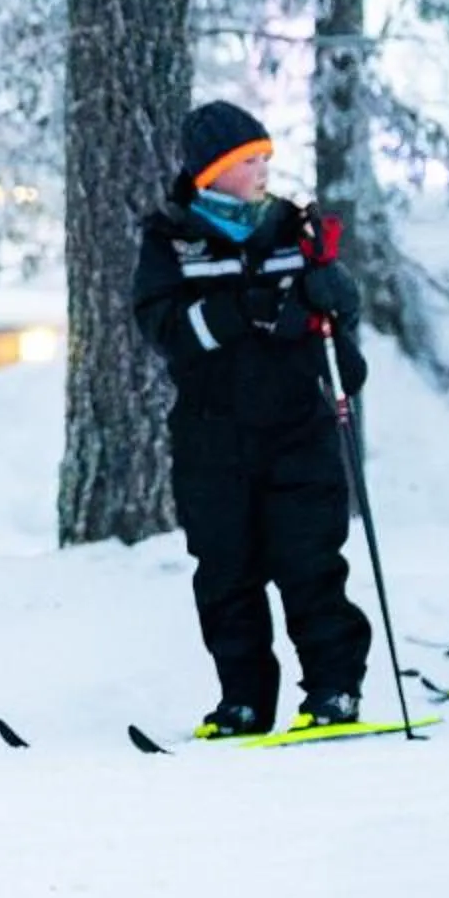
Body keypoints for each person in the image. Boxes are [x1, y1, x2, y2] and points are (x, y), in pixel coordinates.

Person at [129, 100, 373, 737]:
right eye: (249, 161)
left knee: (310, 562)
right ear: (211, 171)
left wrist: (332, 297)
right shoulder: (172, 238)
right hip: (214, 435)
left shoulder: (294, 227)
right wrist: (244, 311)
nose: (264, 168)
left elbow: (337, 312)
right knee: (226, 570)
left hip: (299, 429)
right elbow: (164, 327)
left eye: (266, 156)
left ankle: (334, 689)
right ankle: (242, 701)